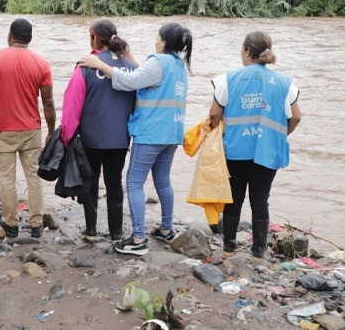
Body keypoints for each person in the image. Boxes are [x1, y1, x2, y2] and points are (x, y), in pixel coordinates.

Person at [79, 22, 192, 256]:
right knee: (162, 180)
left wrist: (98, 64)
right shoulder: (178, 65)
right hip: (172, 132)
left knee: (133, 182)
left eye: (158, 36)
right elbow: (147, 77)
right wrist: (130, 57)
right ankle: (166, 229)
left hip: (151, 132)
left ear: (164, 41)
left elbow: (131, 81)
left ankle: (138, 238)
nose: (155, 40)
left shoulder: (158, 62)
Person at [208, 31, 302, 260]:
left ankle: (229, 247)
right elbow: (296, 117)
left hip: (235, 150)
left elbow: (214, 114)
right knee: (260, 200)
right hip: (267, 151)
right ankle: (259, 251)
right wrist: (280, 135)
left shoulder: (227, 80)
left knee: (235, 198)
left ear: (247, 51)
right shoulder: (285, 83)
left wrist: (215, 134)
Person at [0, 18, 56, 239]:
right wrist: (51, 130)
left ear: (9, 36)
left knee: (7, 179)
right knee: (34, 176)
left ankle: (11, 224)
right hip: (32, 130)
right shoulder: (41, 63)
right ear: (30, 38)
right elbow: (48, 103)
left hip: (4, 130)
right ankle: (37, 224)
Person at [61, 19, 138, 243]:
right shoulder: (131, 67)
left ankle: (91, 230)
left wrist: (67, 137)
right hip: (120, 139)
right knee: (115, 183)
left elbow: (72, 106)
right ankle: (116, 233)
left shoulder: (85, 66)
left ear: (94, 38)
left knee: (90, 182)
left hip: (90, 138)